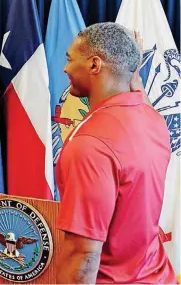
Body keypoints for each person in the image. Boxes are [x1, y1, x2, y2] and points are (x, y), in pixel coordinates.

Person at [55, 22, 176, 284]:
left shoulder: (89, 144)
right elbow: (137, 95)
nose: (65, 68)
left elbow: (84, 257)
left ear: (94, 65)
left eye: (69, 59)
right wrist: (133, 73)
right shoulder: (154, 121)